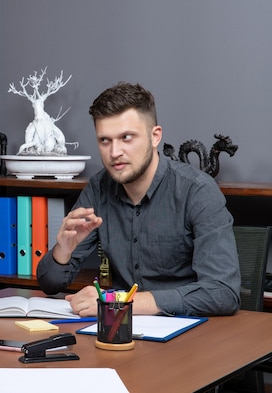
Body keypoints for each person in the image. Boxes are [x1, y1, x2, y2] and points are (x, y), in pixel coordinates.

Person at [37, 82, 240, 317]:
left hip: (191, 337)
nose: (114, 152)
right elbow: (49, 285)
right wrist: (63, 250)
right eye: (105, 140)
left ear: (155, 137)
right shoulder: (99, 188)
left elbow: (222, 293)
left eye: (126, 138)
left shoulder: (197, 190)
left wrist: (119, 301)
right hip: (123, 333)